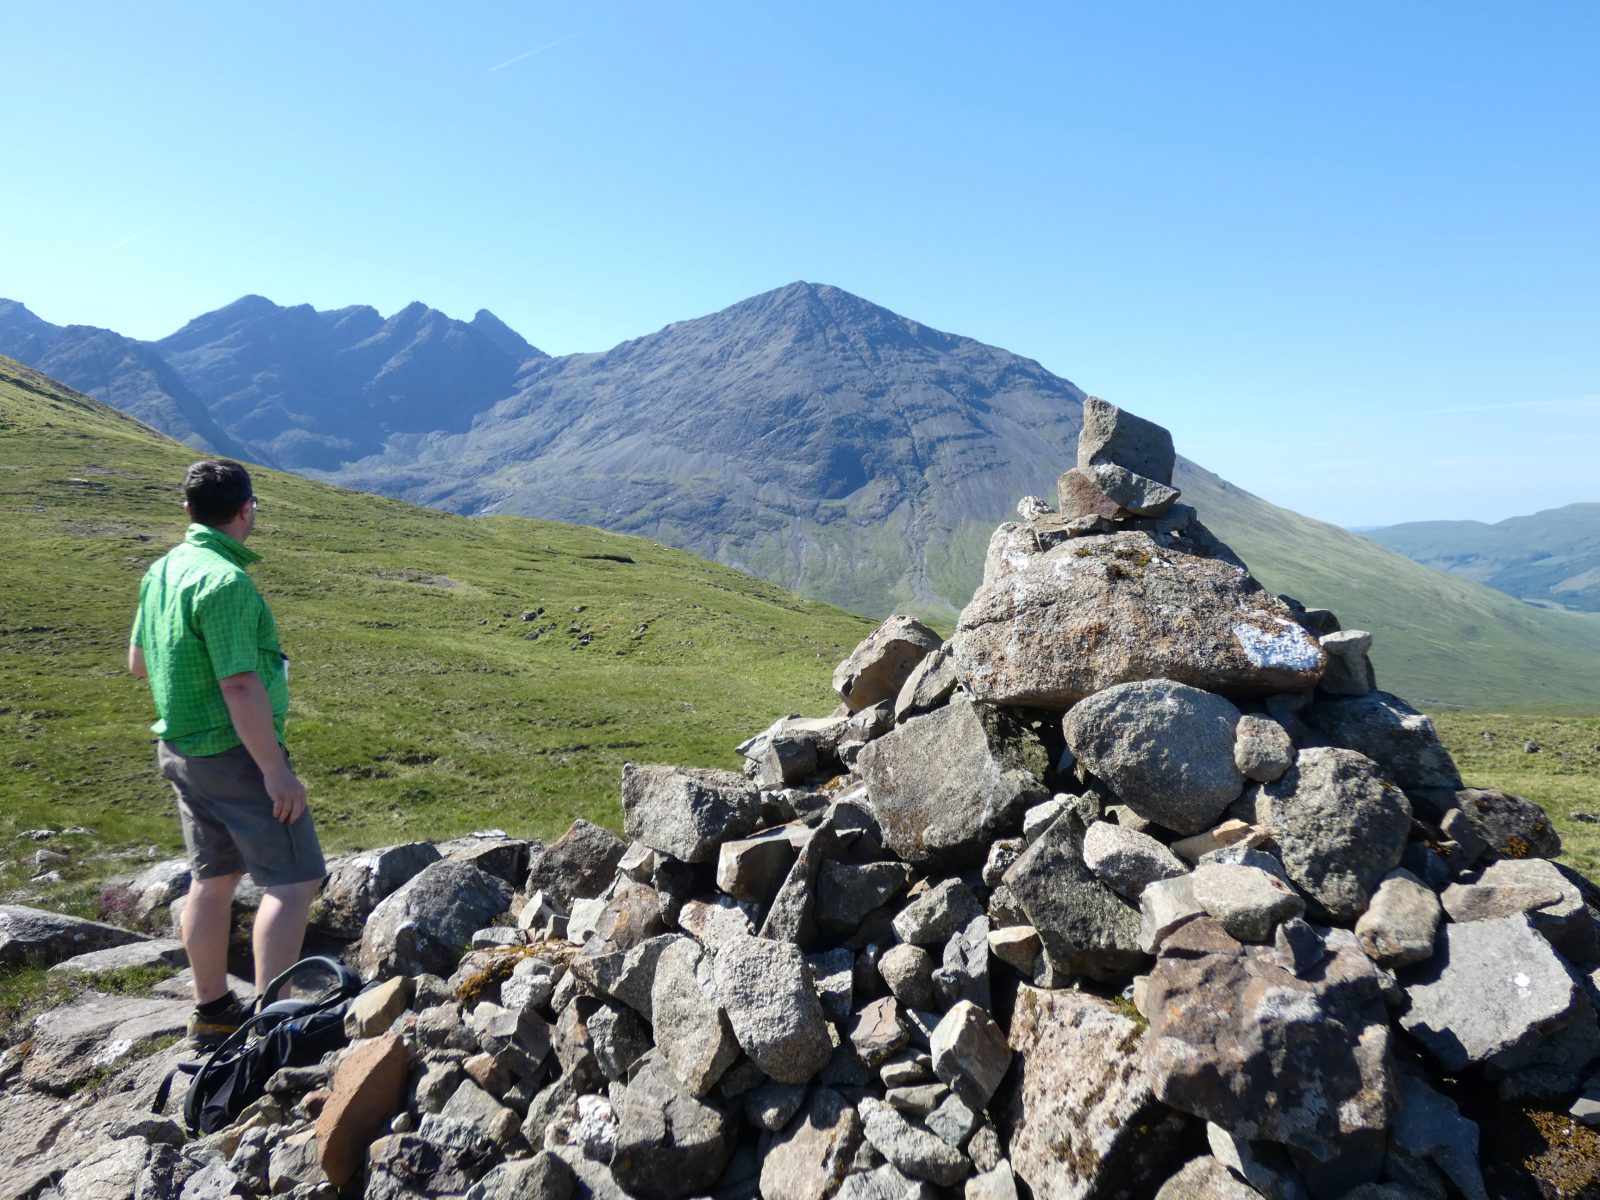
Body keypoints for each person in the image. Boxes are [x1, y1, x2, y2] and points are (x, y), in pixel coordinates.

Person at [128, 459, 325, 1047]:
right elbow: (239, 685)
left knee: (211, 880)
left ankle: (212, 1011)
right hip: (234, 754)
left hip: (180, 749)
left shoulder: (163, 570)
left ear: (187, 510)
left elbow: (138, 664)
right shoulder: (225, 582)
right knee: (293, 882)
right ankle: (273, 1025)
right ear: (247, 510)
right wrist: (274, 770)